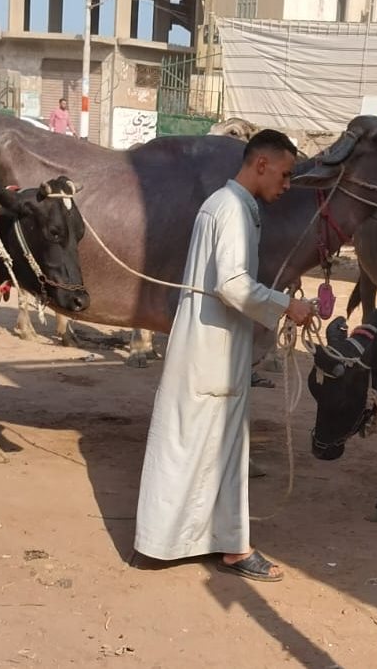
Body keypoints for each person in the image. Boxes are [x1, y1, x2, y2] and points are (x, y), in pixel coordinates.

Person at [133, 129, 316, 582]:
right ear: (261, 164)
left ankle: (175, 541)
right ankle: (232, 548)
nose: (287, 185)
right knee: (217, 445)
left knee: (199, 444)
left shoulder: (226, 205)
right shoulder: (231, 208)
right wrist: (287, 305)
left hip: (212, 344)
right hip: (212, 349)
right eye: (286, 174)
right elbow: (232, 285)